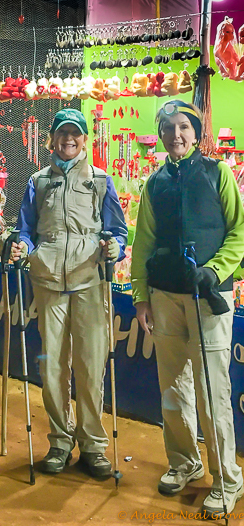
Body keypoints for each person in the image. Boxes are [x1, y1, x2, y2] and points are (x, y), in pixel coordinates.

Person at [131, 100, 244, 518]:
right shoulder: (154, 182)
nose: (175, 134)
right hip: (164, 297)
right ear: (160, 134)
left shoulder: (218, 173)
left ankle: (227, 479)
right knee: (173, 390)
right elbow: (144, 241)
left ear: (196, 134)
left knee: (213, 393)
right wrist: (141, 295)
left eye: (183, 127)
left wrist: (215, 271)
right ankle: (184, 462)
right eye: (167, 128)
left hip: (208, 301)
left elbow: (240, 229)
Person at [13, 108, 127, 476]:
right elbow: (26, 228)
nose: (69, 140)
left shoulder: (99, 180)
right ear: (52, 138)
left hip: (90, 280)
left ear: (84, 139)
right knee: (52, 368)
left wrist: (115, 248)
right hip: (47, 280)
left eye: (75, 133)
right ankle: (60, 442)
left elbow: (118, 230)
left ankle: (93, 445)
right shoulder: (38, 180)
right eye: (62, 133)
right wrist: (23, 247)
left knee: (91, 366)